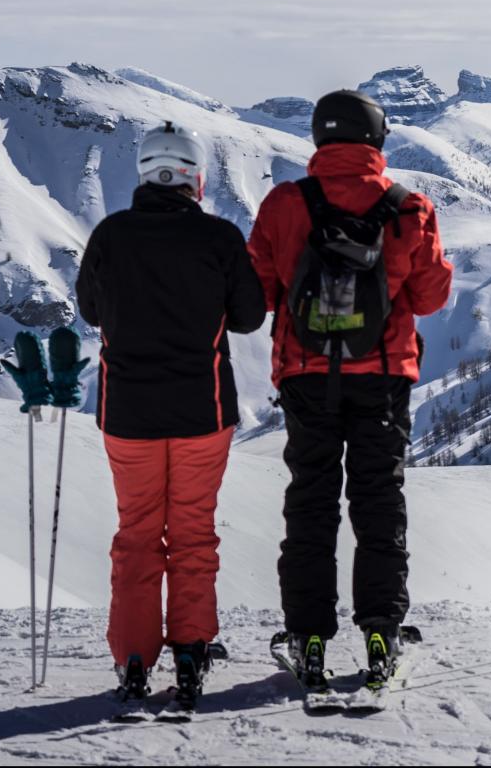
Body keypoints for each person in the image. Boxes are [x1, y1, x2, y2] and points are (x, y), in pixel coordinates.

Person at [246, 89, 453, 690]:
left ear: (319, 138)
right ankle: (382, 630)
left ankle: (309, 636)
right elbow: (432, 298)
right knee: (378, 502)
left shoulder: (285, 204)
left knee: (310, 503)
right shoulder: (407, 205)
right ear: (377, 139)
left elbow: (257, 295)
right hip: (384, 376)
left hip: (306, 377)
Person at [76, 120, 268, 704]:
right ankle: (190, 651)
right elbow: (249, 317)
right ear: (195, 178)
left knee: (136, 534)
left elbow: (90, 310)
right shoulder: (218, 239)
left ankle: (133, 657)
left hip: (128, 415)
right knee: (191, 534)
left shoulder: (111, 235)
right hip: (201, 413)